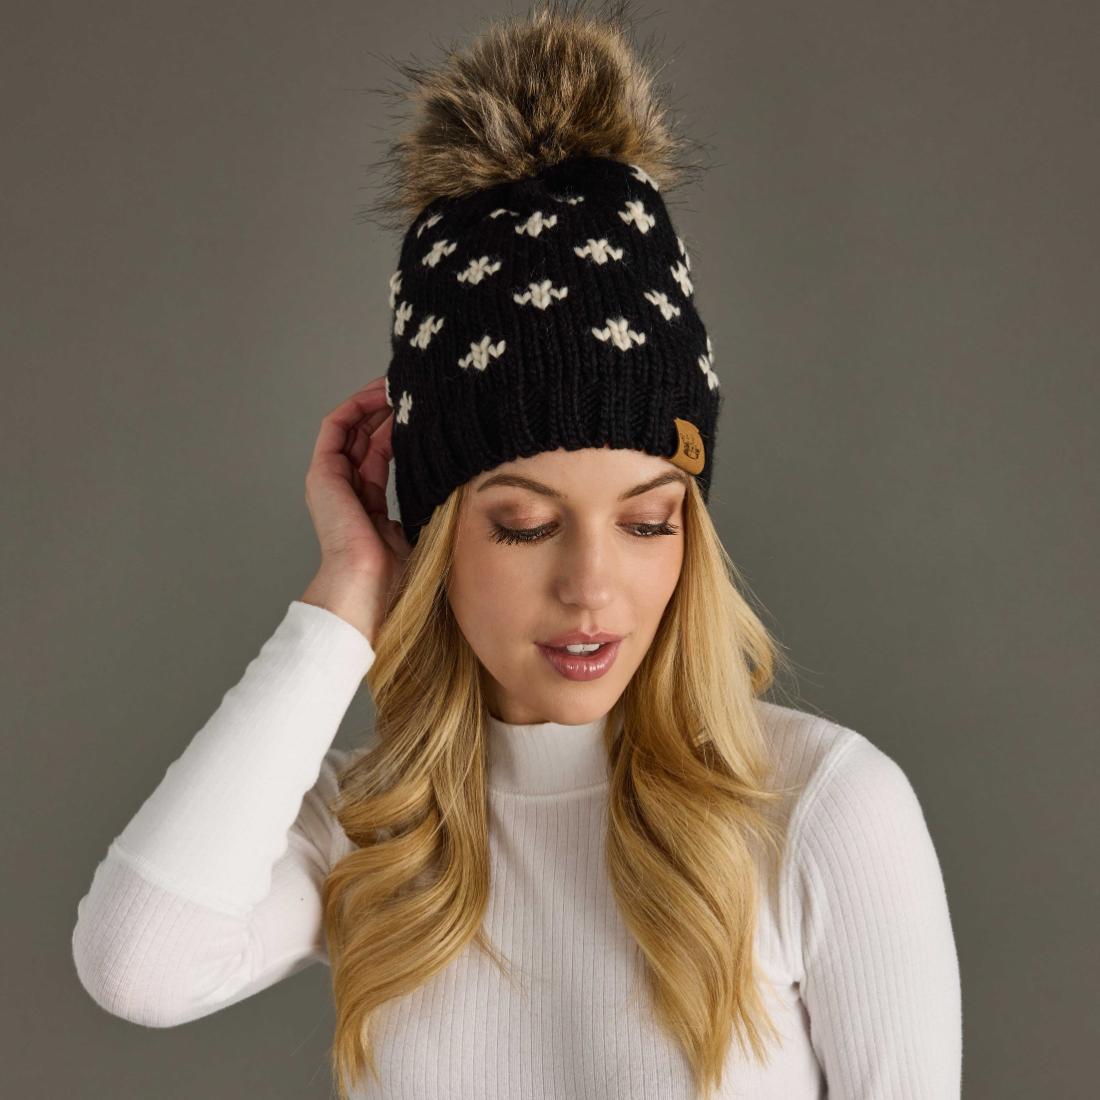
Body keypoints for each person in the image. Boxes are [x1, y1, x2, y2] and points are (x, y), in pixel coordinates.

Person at [71, 3, 962, 1098]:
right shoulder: (375, 828)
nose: (592, 588)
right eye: (525, 525)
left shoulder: (820, 808)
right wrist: (349, 592)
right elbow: (138, 965)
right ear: (435, 532)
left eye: (647, 521)